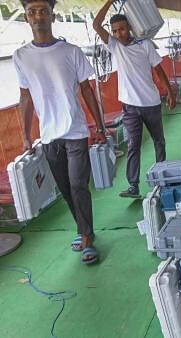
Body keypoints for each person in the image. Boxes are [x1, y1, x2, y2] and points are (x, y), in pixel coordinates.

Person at [14, 0, 106, 264]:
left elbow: (87, 90)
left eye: (43, 11)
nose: (38, 16)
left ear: (52, 15)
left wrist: (99, 125)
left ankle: (87, 237)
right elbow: (25, 98)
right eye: (32, 12)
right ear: (26, 17)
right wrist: (26, 135)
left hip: (76, 131)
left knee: (78, 184)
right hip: (49, 135)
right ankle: (82, 228)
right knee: (65, 187)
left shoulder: (72, 51)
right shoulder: (21, 56)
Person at [93, 0, 176, 199]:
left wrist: (170, 92)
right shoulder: (114, 46)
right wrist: (110, 1)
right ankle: (133, 186)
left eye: (121, 29)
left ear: (129, 27)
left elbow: (158, 69)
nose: (118, 34)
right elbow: (96, 25)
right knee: (133, 145)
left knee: (159, 141)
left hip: (151, 103)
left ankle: (161, 179)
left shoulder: (145, 44)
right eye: (114, 30)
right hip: (129, 106)